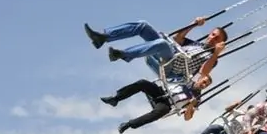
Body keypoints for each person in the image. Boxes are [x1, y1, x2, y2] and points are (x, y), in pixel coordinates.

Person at [83, 17, 227, 81]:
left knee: (162, 44)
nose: (213, 38)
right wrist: (194, 24)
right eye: (213, 34)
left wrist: (216, 53)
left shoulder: (212, 58)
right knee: (143, 25)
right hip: (169, 53)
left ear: (219, 44)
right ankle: (103, 37)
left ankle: (124, 54)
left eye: (217, 39)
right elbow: (178, 39)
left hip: (174, 70)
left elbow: (203, 73)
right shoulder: (195, 44)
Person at [100, 75, 211, 134]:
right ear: (200, 79)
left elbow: (187, 118)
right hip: (162, 92)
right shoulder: (187, 79)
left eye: (206, 85)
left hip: (167, 104)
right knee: (142, 82)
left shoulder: (197, 99)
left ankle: (128, 124)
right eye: (204, 81)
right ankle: (116, 99)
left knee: (160, 112)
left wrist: (191, 105)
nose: (204, 85)